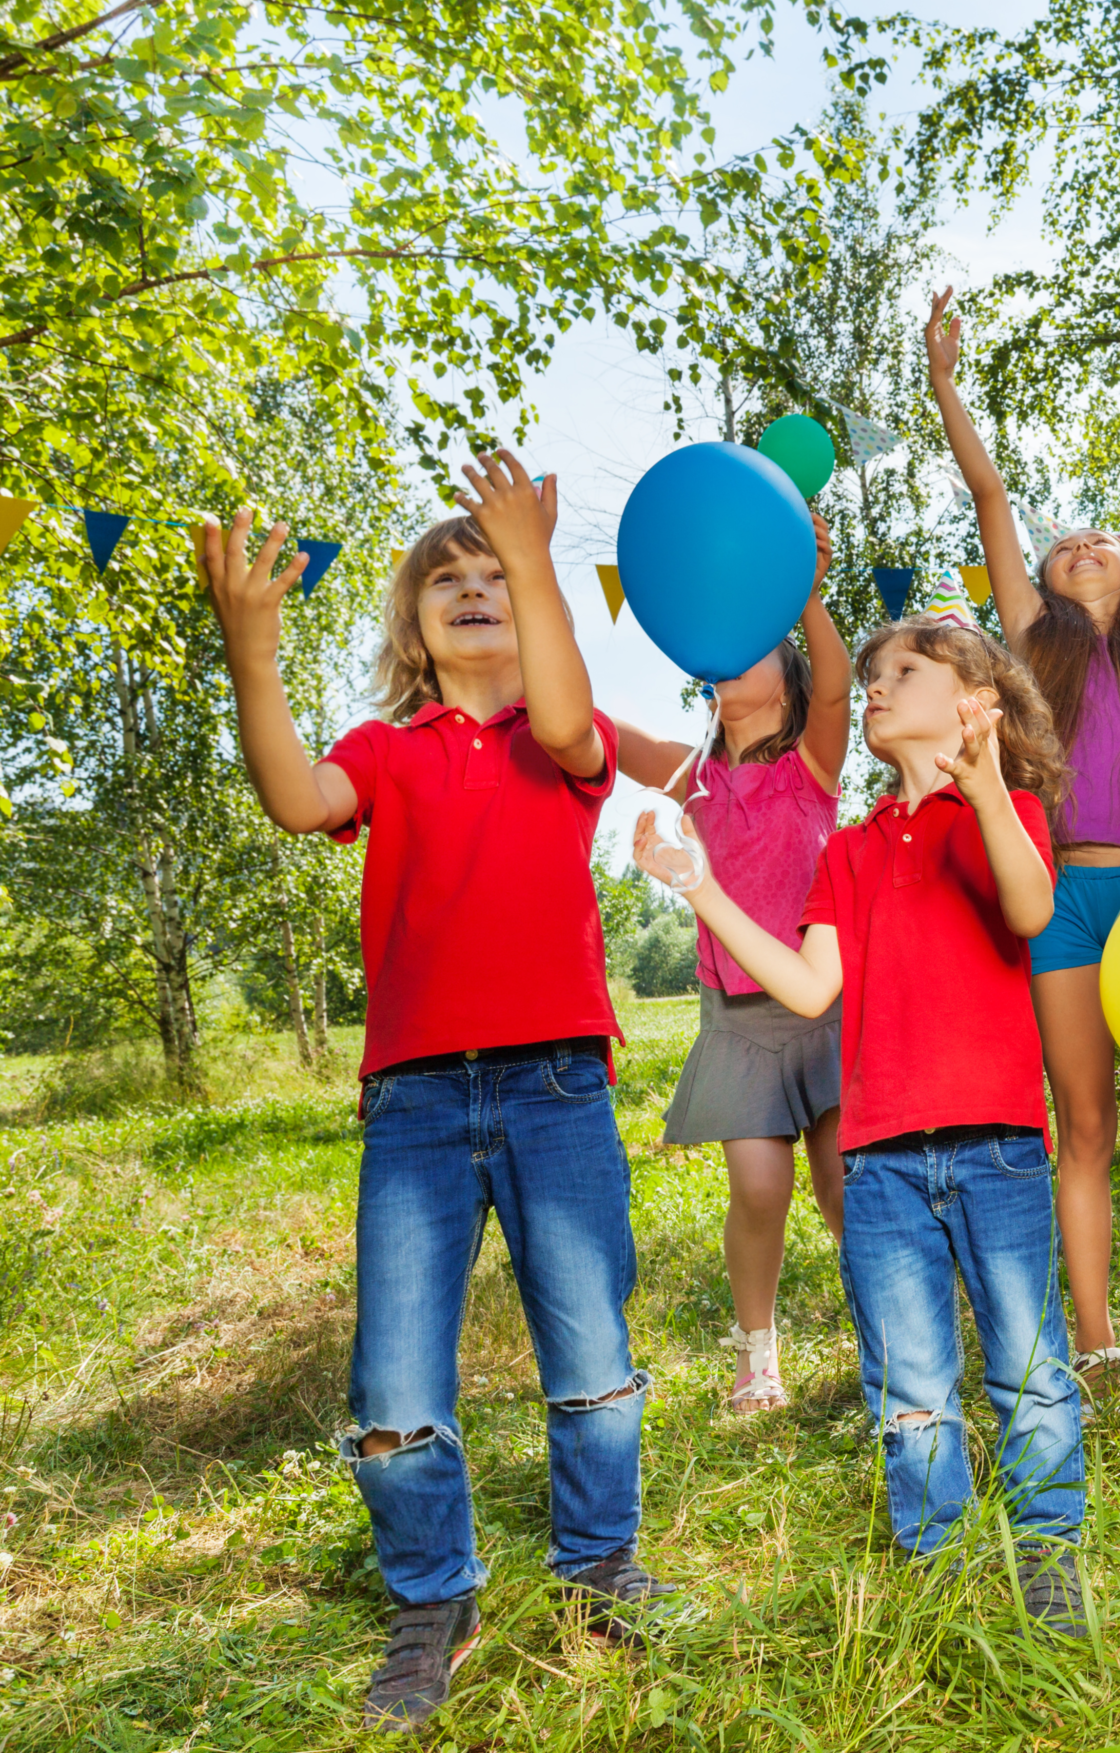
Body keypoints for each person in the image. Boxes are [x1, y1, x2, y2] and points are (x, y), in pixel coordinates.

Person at [195, 454, 668, 1734]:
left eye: (493, 578)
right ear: (410, 625)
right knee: (395, 1394)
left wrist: (534, 558)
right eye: (445, 581)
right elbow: (298, 801)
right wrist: (254, 643)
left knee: (591, 1362)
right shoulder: (384, 749)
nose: (473, 590)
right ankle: (432, 1599)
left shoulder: (558, 739)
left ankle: (599, 1566)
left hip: (556, 1087)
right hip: (412, 1103)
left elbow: (575, 725)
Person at [633, 614, 1090, 1631]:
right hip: (879, 1160)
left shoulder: (1007, 811)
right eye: (872, 675)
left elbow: (1025, 910)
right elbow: (804, 989)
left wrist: (977, 787)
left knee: (1026, 1366)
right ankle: (938, 1562)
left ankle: (1051, 1549)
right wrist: (699, 888)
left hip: (999, 1144)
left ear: (980, 702)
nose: (874, 688)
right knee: (910, 1384)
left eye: (902, 672)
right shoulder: (847, 849)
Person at [927, 266, 1120, 1403]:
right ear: (1039, 583)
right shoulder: (1029, 649)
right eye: (1066, 545)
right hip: (1061, 906)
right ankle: (1094, 1342)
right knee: (1085, 1126)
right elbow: (993, 498)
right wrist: (948, 389)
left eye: (1105, 540)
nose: (1085, 542)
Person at [615, 512, 851, 1413]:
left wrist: (805, 591)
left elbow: (834, 683)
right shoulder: (694, 774)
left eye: (750, 647)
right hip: (739, 1021)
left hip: (824, 1011)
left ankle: (886, 1330)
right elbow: (607, 738)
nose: (723, 656)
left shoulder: (814, 765)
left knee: (839, 1189)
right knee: (759, 1187)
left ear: (784, 685)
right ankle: (758, 1356)